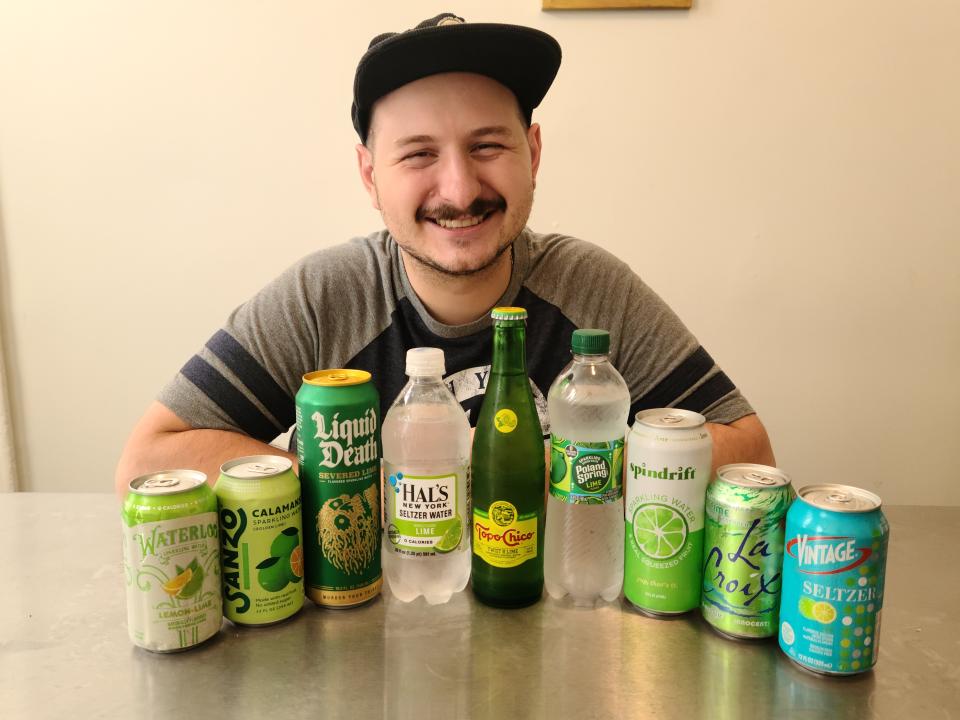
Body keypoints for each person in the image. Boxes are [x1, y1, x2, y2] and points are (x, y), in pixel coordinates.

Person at [114, 13, 774, 496]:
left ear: (533, 154)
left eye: (488, 145)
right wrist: (363, 486)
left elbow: (747, 447)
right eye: (419, 154)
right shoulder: (325, 296)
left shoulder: (594, 288)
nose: (459, 190)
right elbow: (148, 457)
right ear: (371, 177)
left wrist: (545, 470)